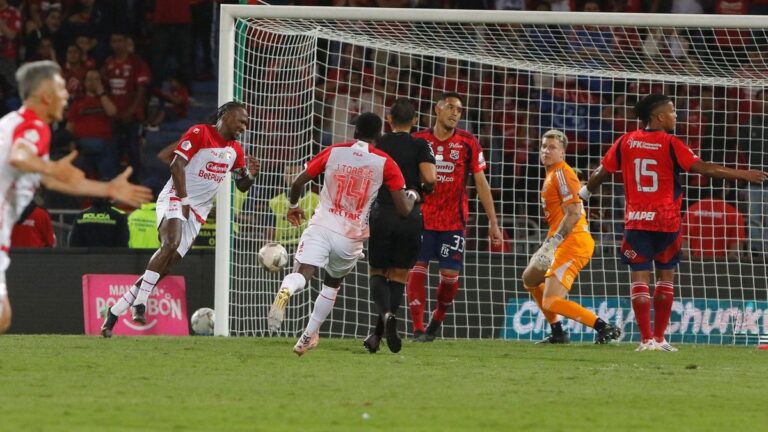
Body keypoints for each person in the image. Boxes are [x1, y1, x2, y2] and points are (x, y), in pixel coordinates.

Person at [580, 94, 768, 351]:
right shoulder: (670, 143)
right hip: (667, 222)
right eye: (672, 112)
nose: (676, 116)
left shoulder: (626, 141)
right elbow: (704, 168)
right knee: (666, 279)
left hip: (636, 222)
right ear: (658, 117)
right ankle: (659, 338)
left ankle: (646, 340)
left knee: (639, 281)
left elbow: (600, 172)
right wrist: (743, 174)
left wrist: (585, 194)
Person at [0, 60, 153, 335]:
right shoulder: (32, 127)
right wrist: (49, 167)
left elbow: (48, 178)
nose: (67, 94)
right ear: (45, 94)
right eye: (60, 88)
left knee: (3, 318)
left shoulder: (20, 124)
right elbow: (19, 157)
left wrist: (105, 190)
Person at [100, 101, 260, 338]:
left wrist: (250, 174)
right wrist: (184, 201)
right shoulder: (200, 132)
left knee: (167, 266)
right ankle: (140, 302)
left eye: (247, 123)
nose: (244, 126)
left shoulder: (235, 150)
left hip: (198, 211)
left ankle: (114, 312)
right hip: (177, 195)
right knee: (170, 243)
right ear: (226, 115)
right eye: (242, 120)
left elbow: (242, 186)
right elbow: (176, 166)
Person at [265, 112, 417, 356]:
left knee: (303, 272)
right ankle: (306, 338)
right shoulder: (386, 162)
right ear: (378, 135)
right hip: (350, 236)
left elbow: (297, 182)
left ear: (355, 132)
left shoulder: (334, 151)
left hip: (323, 224)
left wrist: (294, 206)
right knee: (332, 283)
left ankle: (286, 291)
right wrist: (412, 195)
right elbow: (403, 209)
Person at [407, 92, 503, 342]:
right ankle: (417, 328)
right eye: (450, 107)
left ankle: (437, 320)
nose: (454, 113)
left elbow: (481, 182)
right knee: (417, 270)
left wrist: (493, 222)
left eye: (459, 110)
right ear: (437, 110)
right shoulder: (418, 140)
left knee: (449, 280)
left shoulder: (468, 142)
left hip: (453, 223)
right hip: (422, 219)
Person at [522, 130, 621, 345]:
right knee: (530, 279)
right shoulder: (553, 174)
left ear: (563, 152)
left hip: (572, 242)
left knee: (551, 300)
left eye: (552, 148)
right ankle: (558, 332)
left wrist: (553, 243)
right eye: (544, 146)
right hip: (558, 239)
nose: (546, 151)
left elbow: (575, 212)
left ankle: (603, 327)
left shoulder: (561, 173)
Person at [363, 98, 436, 354]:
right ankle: (379, 332)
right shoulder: (421, 144)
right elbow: (429, 178)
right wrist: (423, 188)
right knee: (398, 276)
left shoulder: (379, 144)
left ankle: (383, 317)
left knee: (377, 272)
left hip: (382, 212)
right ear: (415, 121)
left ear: (389, 120)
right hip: (410, 216)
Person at [682, 180, 746, 260]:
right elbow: (736, 249)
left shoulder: (691, 211)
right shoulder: (734, 214)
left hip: (696, 266)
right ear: (726, 188)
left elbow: (684, 245)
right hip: (722, 267)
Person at [264, 164, 319, 248]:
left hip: (306, 247)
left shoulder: (315, 199)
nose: (293, 177)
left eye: (297, 174)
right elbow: (269, 233)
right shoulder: (274, 202)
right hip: (282, 248)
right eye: (289, 173)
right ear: (284, 176)